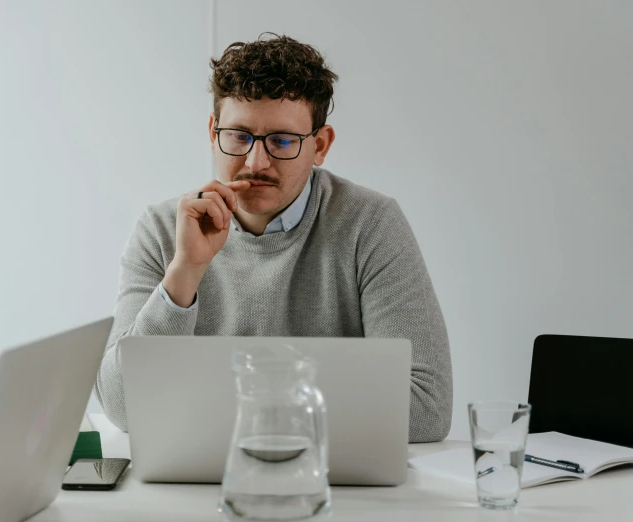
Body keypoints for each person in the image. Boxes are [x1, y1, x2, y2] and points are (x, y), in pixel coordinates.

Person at [95, 34, 452, 442]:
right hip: (194, 491)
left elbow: (427, 407)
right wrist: (184, 274)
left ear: (320, 145)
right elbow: (123, 406)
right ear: (214, 132)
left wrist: (229, 409)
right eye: (239, 136)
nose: (255, 162)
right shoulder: (161, 229)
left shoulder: (370, 224)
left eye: (282, 141)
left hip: (332, 489)